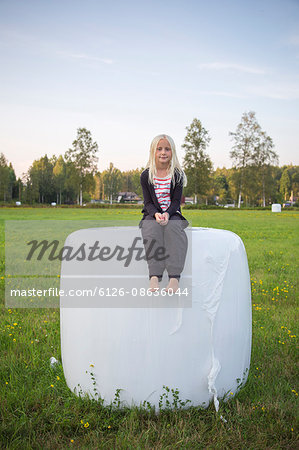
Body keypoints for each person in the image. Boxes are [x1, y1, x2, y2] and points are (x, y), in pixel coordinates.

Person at [139, 134, 188, 293]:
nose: (163, 152)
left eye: (167, 149)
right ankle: (154, 276)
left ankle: (174, 278)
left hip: (172, 213)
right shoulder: (146, 175)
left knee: (173, 229)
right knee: (151, 230)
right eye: (159, 149)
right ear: (153, 151)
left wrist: (167, 214)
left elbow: (176, 202)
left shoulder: (177, 174)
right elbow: (147, 203)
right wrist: (155, 215)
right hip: (152, 214)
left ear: (172, 151)